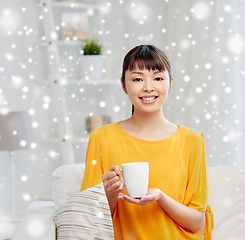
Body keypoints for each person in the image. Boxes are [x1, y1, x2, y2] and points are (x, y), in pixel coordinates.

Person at [81, 45, 213, 239]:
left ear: (170, 83)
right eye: (137, 79)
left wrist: (160, 198)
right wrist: (109, 193)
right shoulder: (101, 138)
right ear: (124, 85)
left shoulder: (192, 141)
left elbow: (196, 223)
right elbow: (90, 223)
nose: (148, 87)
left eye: (158, 78)